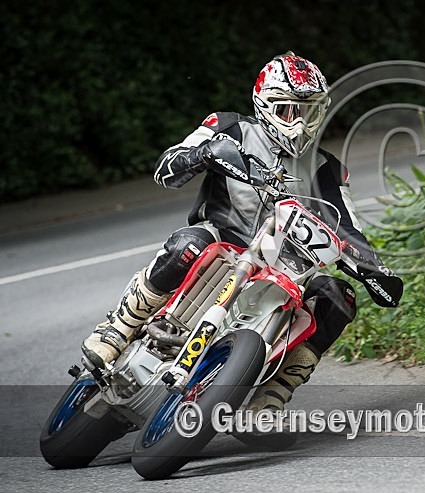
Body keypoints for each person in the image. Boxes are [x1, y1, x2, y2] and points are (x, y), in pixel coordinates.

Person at [81, 52, 403, 416]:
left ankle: (274, 394)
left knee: (337, 296)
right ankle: (119, 328)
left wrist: (375, 269)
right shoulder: (228, 126)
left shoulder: (328, 170)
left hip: (283, 272)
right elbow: (166, 169)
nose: (298, 124)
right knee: (189, 243)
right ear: (264, 105)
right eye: (286, 111)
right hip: (219, 242)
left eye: (308, 113)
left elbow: (348, 227)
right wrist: (203, 154)